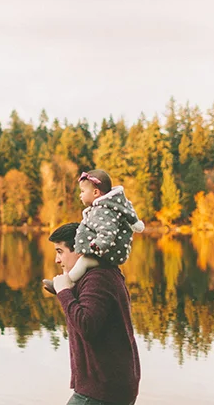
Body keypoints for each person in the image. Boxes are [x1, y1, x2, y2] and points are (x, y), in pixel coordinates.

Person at [49, 221, 141, 405]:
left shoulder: (97, 278)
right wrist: (65, 289)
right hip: (107, 388)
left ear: (80, 250)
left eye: (60, 251)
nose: (57, 260)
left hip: (101, 392)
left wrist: (64, 292)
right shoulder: (99, 274)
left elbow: (86, 324)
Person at [43, 169, 144, 294]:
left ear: (95, 192)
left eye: (82, 191)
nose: (80, 195)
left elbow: (107, 232)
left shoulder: (103, 211)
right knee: (81, 263)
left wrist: (98, 246)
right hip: (104, 252)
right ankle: (67, 283)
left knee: (83, 262)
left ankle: (64, 285)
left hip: (106, 252)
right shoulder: (103, 207)